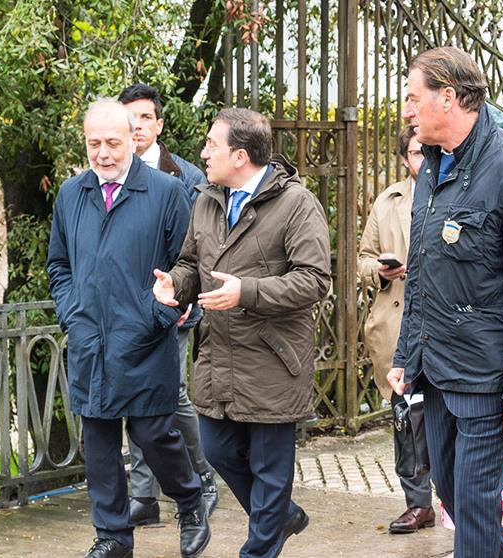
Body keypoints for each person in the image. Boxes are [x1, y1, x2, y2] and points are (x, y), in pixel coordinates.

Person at [151, 107, 331, 558]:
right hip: (220, 355)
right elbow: (194, 263)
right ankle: (281, 514)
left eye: (212, 144)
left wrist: (246, 292)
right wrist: (177, 283)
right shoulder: (208, 199)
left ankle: (259, 547)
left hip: (272, 357)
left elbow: (314, 279)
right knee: (217, 450)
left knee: (271, 471)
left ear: (240, 155)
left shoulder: (296, 204)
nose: (203, 152)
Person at [47, 99, 210, 558]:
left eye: (112, 143)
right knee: (98, 443)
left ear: (134, 139)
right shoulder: (71, 194)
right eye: (93, 143)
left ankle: (190, 501)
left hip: (144, 339)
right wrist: (72, 314)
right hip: (90, 341)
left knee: (155, 435)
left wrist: (159, 314)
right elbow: (59, 265)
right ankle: (113, 536)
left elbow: (189, 266)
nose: (102, 153)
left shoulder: (164, 192)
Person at [387, 46, 503, 558]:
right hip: (436, 373)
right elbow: (420, 275)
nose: (406, 110)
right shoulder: (432, 169)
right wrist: (404, 356)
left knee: (477, 511)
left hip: (485, 380)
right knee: (453, 494)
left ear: (449, 97)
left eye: (413, 98)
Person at [117, 82, 219, 526]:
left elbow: (194, 249)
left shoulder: (188, 176)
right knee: (135, 397)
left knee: (171, 394)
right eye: (129, 118)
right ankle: (143, 495)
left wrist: (184, 299)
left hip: (171, 305)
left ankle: (203, 477)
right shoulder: (113, 173)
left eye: (144, 117)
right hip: (126, 309)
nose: (136, 125)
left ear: (158, 124)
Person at [357, 125, 435, 534]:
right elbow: (362, 259)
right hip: (398, 321)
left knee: (444, 417)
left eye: (429, 150)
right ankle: (418, 503)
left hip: (444, 327)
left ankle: (459, 497)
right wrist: (382, 272)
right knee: (405, 417)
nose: (424, 158)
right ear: (406, 158)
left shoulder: (456, 193)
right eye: (417, 152)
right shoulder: (388, 202)